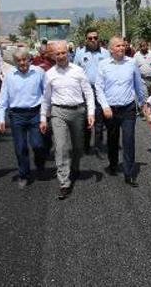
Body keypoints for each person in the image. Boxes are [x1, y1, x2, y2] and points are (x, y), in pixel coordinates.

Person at [40, 41, 94, 200]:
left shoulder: (78, 71)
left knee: (78, 147)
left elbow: (88, 93)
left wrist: (91, 113)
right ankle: (64, 182)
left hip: (78, 111)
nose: (61, 56)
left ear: (68, 53)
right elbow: (46, 98)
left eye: (64, 53)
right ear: (53, 56)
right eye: (58, 54)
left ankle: (75, 167)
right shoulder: (49, 74)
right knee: (61, 146)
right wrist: (43, 118)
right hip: (58, 112)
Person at [95, 36, 147, 186]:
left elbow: (138, 85)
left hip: (128, 109)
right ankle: (113, 163)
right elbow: (98, 87)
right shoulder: (103, 65)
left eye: (123, 46)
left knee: (129, 140)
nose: (121, 48)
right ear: (111, 49)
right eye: (117, 46)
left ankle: (129, 173)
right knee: (112, 139)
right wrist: (104, 106)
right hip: (110, 110)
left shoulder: (131, 63)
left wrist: (143, 103)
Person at [0, 48, 46, 189]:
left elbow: (46, 93)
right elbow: (3, 98)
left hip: (35, 113)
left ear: (29, 59)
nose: (22, 63)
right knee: (20, 147)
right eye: (19, 60)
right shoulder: (9, 76)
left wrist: (45, 113)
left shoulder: (38, 72)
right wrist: (0, 118)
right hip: (16, 115)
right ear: (15, 62)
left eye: (24, 59)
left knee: (37, 144)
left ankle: (40, 164)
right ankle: (24, 174)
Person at [73, 27, 110, 155]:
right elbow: (75, 72)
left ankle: (98, 146)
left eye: (95, 38)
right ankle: (86, 145)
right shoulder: (80, 53)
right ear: (86, 39)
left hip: (101, 90)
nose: (93, 40)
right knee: (86, 119)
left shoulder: (105, 53)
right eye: (90, 38)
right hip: (85, 91)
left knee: (100, 120)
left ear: (98, 39)